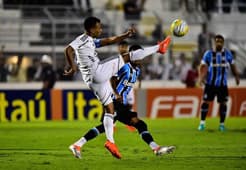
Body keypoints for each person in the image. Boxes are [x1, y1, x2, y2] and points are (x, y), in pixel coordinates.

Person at [64, 16, 171, 159]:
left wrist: (125, 35)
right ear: (90, 29)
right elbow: (68, 49)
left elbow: (109, 41)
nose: (100, 29)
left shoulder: (91, 42)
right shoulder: (82, 39)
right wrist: (72, 66)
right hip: (97, 71)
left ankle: (110, 142)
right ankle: (159, 48)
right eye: (98, 27)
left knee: (109, 110)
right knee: (128, 56)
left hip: (93, 82)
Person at [197, 34, 240, 132]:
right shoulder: (208, 54)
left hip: (223, 84)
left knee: (223, 103)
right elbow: (202, 67)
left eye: (221, 41)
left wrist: (236, 76)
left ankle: (222, 125)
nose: (219, 43)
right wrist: (200, 78)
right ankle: (202, 124)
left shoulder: (228, 54)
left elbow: (233, 66)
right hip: (210, 84)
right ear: (214, 42)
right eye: (217, 41)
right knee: (205, 102)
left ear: (223, 43)